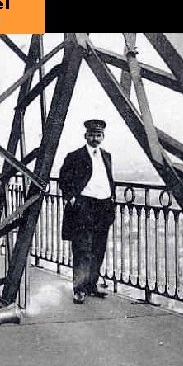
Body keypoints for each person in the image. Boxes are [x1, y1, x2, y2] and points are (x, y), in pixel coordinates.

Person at [58, 119, 116, 304]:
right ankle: (79, 289)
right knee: (83, 249)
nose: (95, 138)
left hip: (103, 207)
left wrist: (112, 198)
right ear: (86, 136)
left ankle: (91, 285)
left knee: (98, 248)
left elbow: (108, 178)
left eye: (98, 135)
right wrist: (71, 197)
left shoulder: (106, 156)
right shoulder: (75, 156)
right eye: (92, 135)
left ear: (103, 137)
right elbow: (64, 178)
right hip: (84, 207)